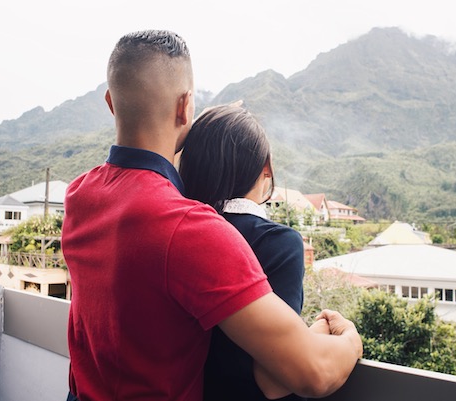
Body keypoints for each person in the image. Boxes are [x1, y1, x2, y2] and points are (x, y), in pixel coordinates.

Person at [61, 29, 362, 401]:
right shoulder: (187, 227)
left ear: (111, 102)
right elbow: (312, 373)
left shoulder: (79, 195)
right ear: (185, 106)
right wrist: (350, 340)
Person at [179, 104, 307, 400]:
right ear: (266, 168)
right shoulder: (278, 243)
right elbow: (275, 380)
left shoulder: (177, 232)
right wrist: (343, 338)